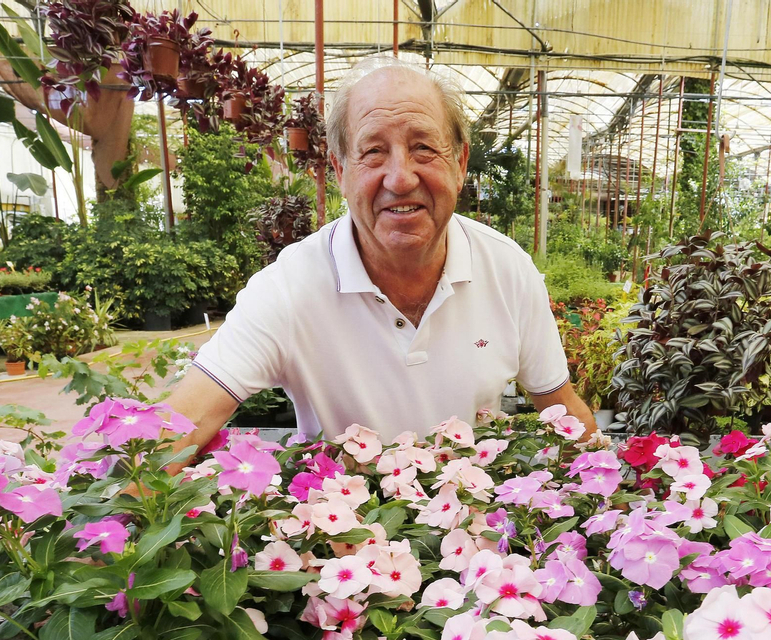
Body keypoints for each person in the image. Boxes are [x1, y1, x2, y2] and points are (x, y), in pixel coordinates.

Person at [163, 57, 597, 448]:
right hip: (341, 526)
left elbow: (563, 409)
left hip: (469, 526)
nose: (401, 178)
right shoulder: (288, 288)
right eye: (373, 151)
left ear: (461, 163)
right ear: (340, 171)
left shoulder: (508, 270)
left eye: (423, 147)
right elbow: (183, 423)